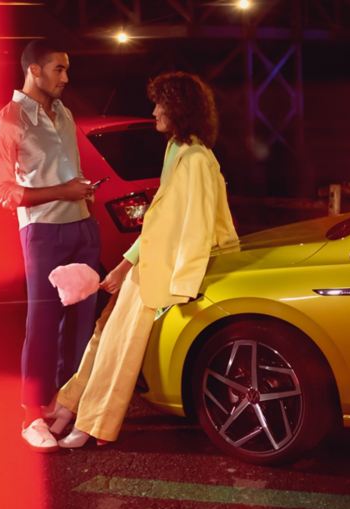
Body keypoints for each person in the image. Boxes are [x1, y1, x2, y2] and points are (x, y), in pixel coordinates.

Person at [50, 71, 238, 448]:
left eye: (159, 104)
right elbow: (157, 224)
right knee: (104, 335)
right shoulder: (176, 151)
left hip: (167, 273)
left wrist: (183, 286)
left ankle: (93, 424)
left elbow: (199, 225)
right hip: (151, 263)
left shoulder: (197, 159)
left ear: (178, 108)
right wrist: (124, 265)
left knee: (119, 346)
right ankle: (69, 405)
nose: (153, 111)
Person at [0, 39, 99, 452]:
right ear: (33, 70)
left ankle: (67, 407)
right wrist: (62, 192)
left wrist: (82, 193)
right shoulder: (8, 121)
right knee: (43, 325)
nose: (66, 78)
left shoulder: (64, 113)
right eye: (58, 69)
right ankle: (32, 414)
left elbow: (71, 171)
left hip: (83, 228)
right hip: (43, 233)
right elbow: (1, 192)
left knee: (83, 324)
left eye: (66, 69)